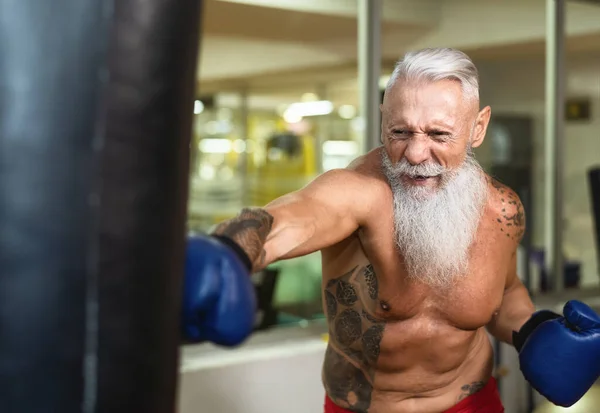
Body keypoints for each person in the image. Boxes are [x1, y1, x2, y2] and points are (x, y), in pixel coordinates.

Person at [182, 47, 600, 412]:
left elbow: (504, 293)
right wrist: (230, 252)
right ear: (384, 120)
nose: (416, 154)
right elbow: (293, 216)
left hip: (472, 405)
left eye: (438, 134)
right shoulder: (360, 192)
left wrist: (530, 329)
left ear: (477, 128)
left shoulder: (501, 210)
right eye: (400, 132)